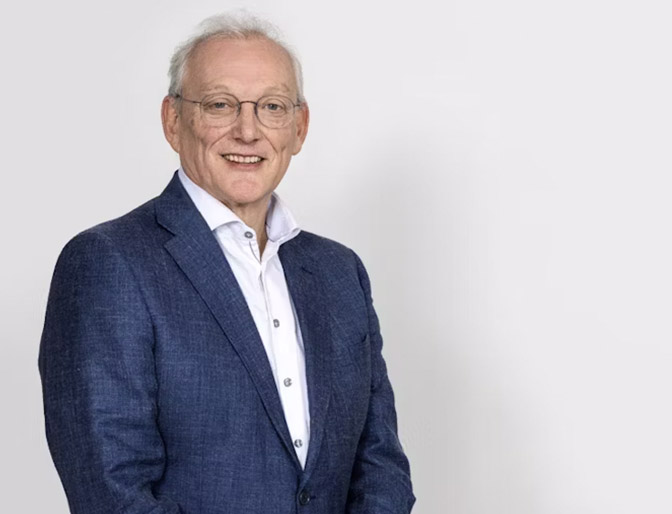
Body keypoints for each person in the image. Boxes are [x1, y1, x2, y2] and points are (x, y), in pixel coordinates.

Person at [38, 12, 415, 513]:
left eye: (272, 107)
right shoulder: (109, 264)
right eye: (220, 105)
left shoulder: (339, 272)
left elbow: (381, 464)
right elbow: (112, 493)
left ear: (299, 127)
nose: (248, 131)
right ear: (174, 121)